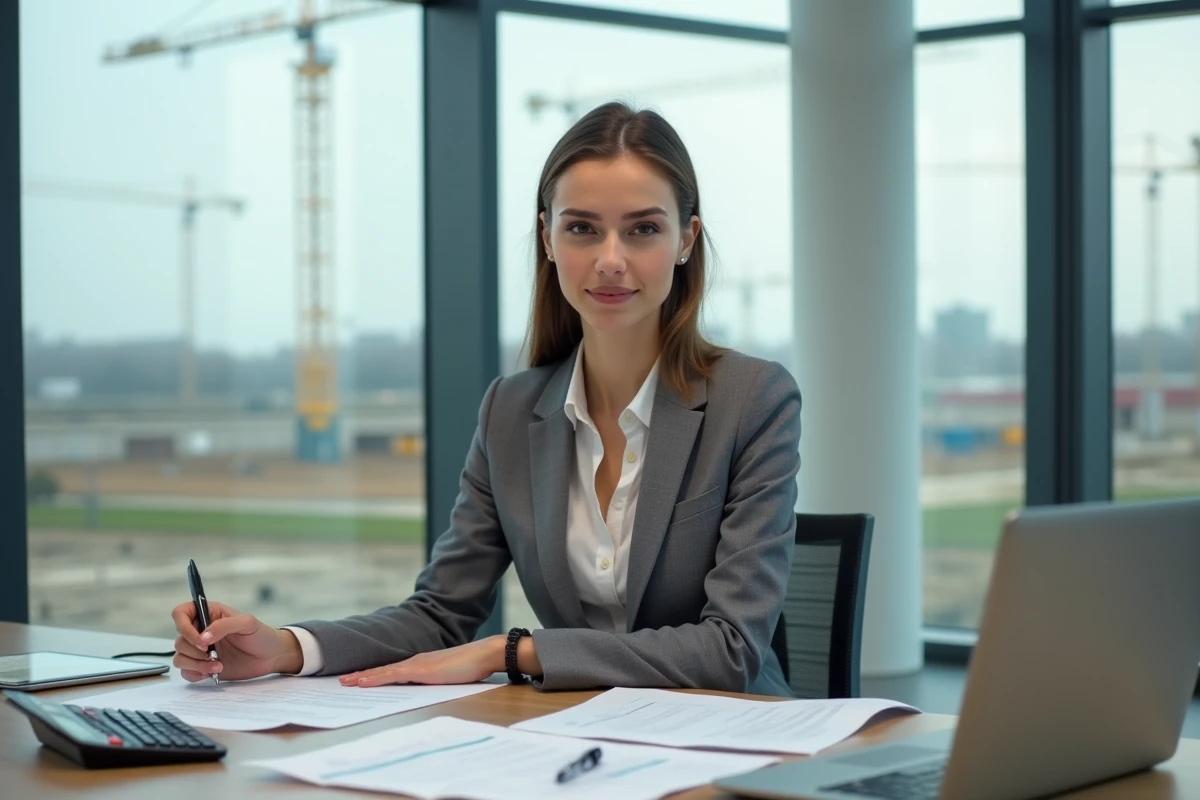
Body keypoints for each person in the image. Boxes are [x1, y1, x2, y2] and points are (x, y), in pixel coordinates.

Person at [171, 101, 802, 696]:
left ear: (687, 240)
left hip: (734, 740)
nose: (611, 260)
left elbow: (731, 650)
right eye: (582, 228)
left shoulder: (753, 400)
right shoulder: (509, 410)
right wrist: (285, 646)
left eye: (643, 230)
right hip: (573, 735)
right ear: (548, 238)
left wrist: (514, 652)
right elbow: (441, 614)